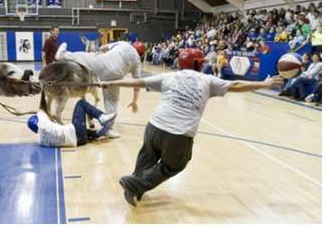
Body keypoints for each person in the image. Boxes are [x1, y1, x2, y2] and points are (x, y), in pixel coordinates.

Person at [98, 50, 284, 206]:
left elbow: (138, 82)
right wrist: (264, 84)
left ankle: (135, 189)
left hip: (154, 127)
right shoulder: (207, 80)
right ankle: (134, 184)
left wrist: (112, 82)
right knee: (175, 164)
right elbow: (236, 85)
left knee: (148, 156)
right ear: (197, 64)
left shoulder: (169, 76)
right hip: (179, 133)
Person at [55, 40, 142, 124]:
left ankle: (63, 55)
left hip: (103, 63)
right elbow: (137, 84)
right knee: (112, 102)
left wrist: (98, 51)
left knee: (84, 57)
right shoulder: (137, 61)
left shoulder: (124, 44)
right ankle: (108, 127)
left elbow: (103, 47)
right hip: (115, 78)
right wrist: (134, 101)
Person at [27, 99, 117, 147]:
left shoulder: (41, 141)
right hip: (77, 132)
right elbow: (42, 110)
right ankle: (102, 117)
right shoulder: (43, 122)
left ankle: (99, 133)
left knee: (70, 129)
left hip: (80, 142)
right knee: (81, 103)